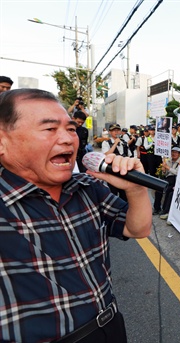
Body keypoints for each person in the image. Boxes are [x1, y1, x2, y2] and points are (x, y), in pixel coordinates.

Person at [0, 88, 151, 342]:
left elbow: (138, 229)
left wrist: (136, 189)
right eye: (49, 129)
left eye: (70, 129)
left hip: (110, 327)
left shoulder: (87, 187)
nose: (68, 139)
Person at [159, 147, 180, 220]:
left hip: (175, 179)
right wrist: (164, 170)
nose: (174, 154)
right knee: (158, 189)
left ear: (179, 154)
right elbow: (165, 174)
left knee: (169, 190)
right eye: (173, 152)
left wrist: (168, 168)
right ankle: (157, 208)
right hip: (167, 179)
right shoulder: (168, 160)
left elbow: (177, 172)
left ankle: (165, 210)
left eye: (176, 152)